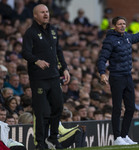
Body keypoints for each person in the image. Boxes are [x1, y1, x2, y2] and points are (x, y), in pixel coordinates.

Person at [97, 16, 139, 145]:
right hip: (116, 77)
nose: (122, 26)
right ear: (114, 25)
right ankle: (117, 137)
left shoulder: (127, 37)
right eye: (119, 24)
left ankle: (124, 135)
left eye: (124, 23)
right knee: (117, 108)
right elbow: (102, 58)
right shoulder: (110, 40)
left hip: (127, 76)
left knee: (131, 108)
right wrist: (102, 73)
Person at [22, 4, 70, 150]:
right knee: (42, 111)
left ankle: (53, 137)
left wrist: (65, 69)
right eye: (42, 12)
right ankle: (40, 143)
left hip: (54, 76)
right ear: (35, 15)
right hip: (39, 78)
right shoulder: (30, 33)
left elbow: (58, 51)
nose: (46, 14)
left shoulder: (53, 30)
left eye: (47, 12)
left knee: (58, 106)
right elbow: (25, 53)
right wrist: (37, 60)